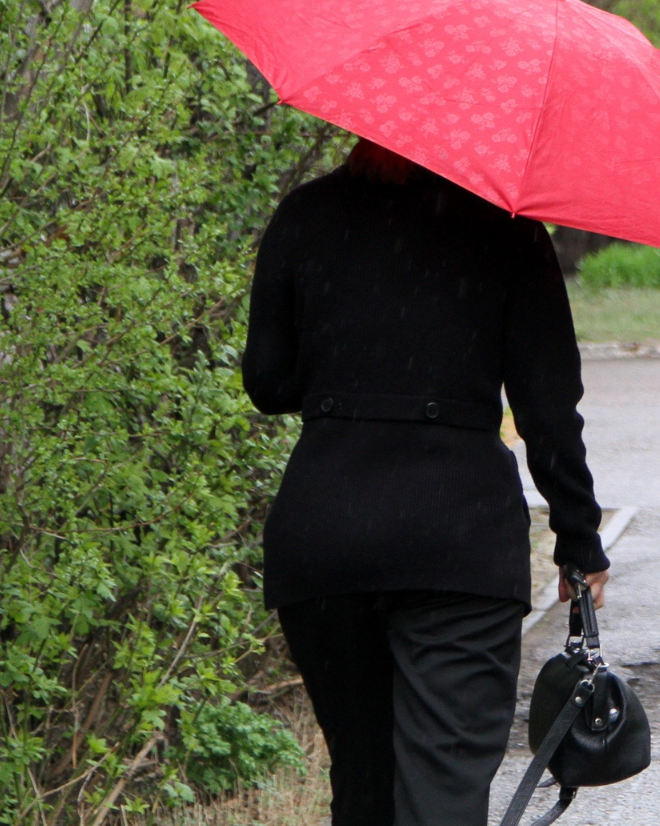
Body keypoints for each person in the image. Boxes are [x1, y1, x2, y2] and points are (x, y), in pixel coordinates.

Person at [242, 138, 611, 826]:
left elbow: (267, 382)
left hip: (327, 538)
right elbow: (547, 407)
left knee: (365, 787)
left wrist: (351, 376)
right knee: (441, 794)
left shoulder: (306, 216)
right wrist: (579, 540)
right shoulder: (506, 232)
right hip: (457, 543)